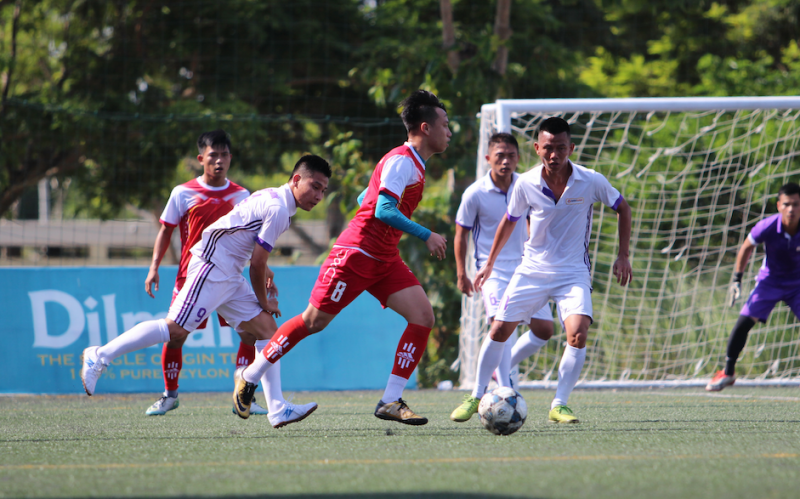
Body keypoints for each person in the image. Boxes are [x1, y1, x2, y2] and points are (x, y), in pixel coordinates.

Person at [233, 90, 450, 425]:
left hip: (384, 257)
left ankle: (391, 400)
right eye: (445, 125)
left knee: (423, 317)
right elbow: (382, 207)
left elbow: (367, 195)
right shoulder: (402, 161)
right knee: (312, 322)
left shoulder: (412, 165)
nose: (449, 132)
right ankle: (250, 376)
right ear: (425, 127)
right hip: (356, 254)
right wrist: (427, 234)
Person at [81, 155, 332, 429]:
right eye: (315, 186)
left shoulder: (276, 199)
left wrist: (264, 277)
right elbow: (256, 265)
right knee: (175, 330)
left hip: (228, 271)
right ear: (296, 180)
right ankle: (100, 355)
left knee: (268, 332)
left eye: (323, 190)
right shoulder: (279, 208)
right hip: (213, 266)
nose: (318, 195)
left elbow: (253, 252)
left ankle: (277, 409)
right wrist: (265, 301)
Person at [450, 117, 632, 424]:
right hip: (531, 270)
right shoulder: (526, 183)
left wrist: (623, 255)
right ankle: (476, 394)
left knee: (577, 334)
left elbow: (622, 207)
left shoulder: (591, 180)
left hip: (573, 272)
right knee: (498, 330)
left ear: (571, 148)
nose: (554, 155)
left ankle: (559, 404)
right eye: (548, 148)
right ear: (537, 149)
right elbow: (510, 220)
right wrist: (490, 263)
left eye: (561, 148)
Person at [143, 129, 268, 417]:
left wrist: (266, 268)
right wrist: (154, 267)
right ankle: (169, 396)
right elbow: (166, 230)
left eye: (225, 155)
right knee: (175, 336)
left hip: (230, 277)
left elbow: (252, 238)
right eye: (213, 155)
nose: (219, 161)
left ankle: (245, 395)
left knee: (250, 334)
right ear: (201, 159)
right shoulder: (182, 192)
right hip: (192, 276)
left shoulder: (241, 195)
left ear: (231, 158)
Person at [450, 132, 556, 422]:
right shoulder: (474, 193)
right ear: (488, 159)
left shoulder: (528, 185)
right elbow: (460, 234)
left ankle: (503, 368)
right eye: (500, 156)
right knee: (502, 327)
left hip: (526, 269)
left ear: (519, 158)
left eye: (511, 155)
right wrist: (462, 272)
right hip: (492, 272)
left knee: (545, 329)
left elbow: (537, 222)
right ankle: (496, 391)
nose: (506, 161)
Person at [707, 182, 800, 392]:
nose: (792, 209)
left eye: (796, 204)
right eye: (787, 204)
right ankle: (727, 373)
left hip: (797, 284)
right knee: (743, 322)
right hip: (770, 282)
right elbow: (747, 247)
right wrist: (736, 279)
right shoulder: (767, 226)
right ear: (779, 206)